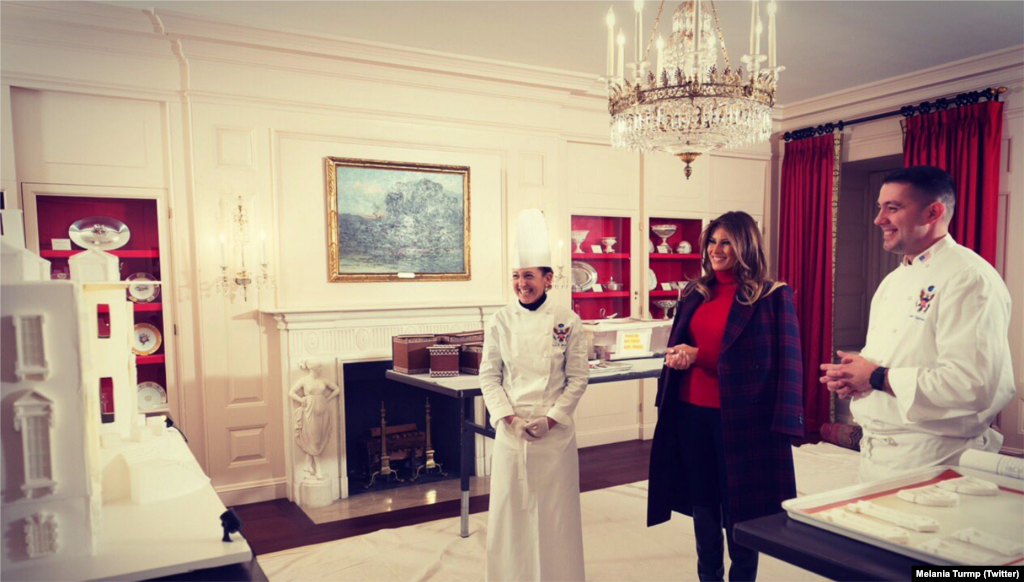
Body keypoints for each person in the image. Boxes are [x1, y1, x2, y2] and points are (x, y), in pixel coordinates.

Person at [820, 165, 1014, 482]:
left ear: (933, 212)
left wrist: (876, 376)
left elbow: (971, 385)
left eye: (892, 208)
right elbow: (893, 361)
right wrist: (856, 377)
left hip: (935, 460)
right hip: (876, 454)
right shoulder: (892, 282)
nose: (879, 219)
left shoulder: (969, 278)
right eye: (880, 208)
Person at [647, 211, 804, 582]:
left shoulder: (771, 295)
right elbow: (681, 345)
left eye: (726, 242)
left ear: (745, 245)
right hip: (689, 414)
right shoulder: (694, 293)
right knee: (703, 504)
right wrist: (677, 357)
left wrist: (698, 355)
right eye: (712, 242)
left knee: (742, 508)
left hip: (743, 420)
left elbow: (775, 362)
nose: (717, 250)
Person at [479, 209, 588, 582]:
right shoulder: (500, 321)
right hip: (512, 433)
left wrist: (551, 419)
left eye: (528, 276)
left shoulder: (567, 320)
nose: (521, 283)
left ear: (548, 279)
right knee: (512, 515)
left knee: (556, 517)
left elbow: (577, 378)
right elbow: (489, 377)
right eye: (516, 276)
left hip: (555, 434)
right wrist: (510, 419)